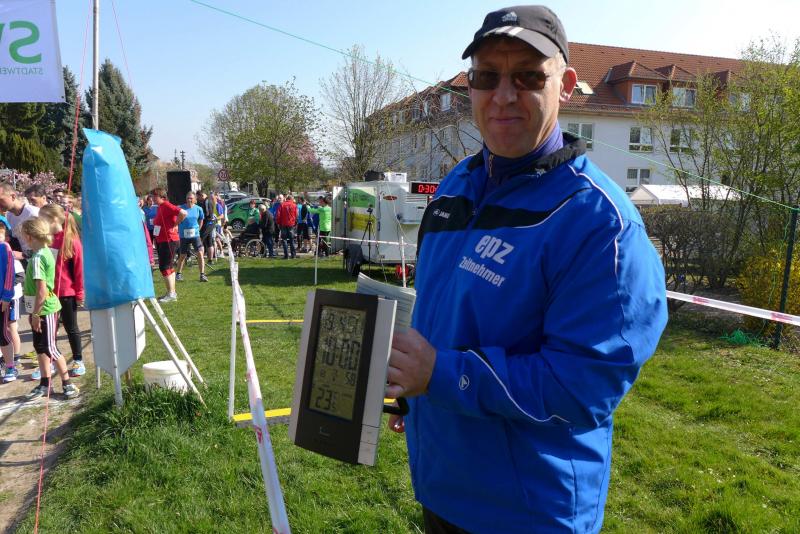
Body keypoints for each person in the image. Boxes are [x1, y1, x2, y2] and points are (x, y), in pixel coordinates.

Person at [385, 7, 668, 533]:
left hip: (528, 512)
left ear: (567, 86)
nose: (503, 95)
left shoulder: (599, 223)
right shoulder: (452, 189)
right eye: (487, 76)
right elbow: (441, 322)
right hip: (441, 487)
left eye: (528, 77)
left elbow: (582, 386)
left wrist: (440, 375)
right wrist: (415, 389)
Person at [21, 217, 79, 400]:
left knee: (50, 347)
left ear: (29, 236)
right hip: (38, 308)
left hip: (44, 309)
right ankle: (45, 384)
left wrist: (36, 314)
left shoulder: (39, 258)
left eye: (23, 236)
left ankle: (67, 383)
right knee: (40, 347)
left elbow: (42, 290)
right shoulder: (43, 252)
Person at [38, 204, 87, 377]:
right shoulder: (46, 240)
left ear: (54, 219)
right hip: (49, 293)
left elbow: (79, 270)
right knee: (49, 329)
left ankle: (78, 360)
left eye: (43, 218)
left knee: (71, 327)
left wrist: (79, 293)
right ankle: (49, 361)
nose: (40, 222)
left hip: (67, 294)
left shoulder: (72, 241)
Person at [151, 188, 187, 302]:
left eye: (154, 196)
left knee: (164, 267)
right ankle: (171, 292)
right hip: (163, 240)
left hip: (169, 240)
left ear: (161, 196)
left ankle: (171, 294)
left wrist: (176, 224)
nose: (152, 198)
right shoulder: (160, 207)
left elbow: (183, 213)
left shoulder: (166, 205)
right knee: (168, 267)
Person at [0, 182, 40, 261]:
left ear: (13, 196)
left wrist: (24, 255)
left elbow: (45, 243)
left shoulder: (33, 213)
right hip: (27, 262)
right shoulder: (9, 215)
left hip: (40, 261)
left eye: (0, 200)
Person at [175, 192, 207, 283]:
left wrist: (198, 229)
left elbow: (201, 219)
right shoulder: (181, 208)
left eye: (191, 198)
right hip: (183, 235)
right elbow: (175, 218)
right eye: (188, 198)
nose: (189, 200)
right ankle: (178, 274)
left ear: (195, 200)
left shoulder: (198, 209)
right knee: (182, 255)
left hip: (195, 235)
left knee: (200, 253)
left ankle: (202, 275)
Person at [275, 194, 297, 259]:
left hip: (283, 224)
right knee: (291, 240)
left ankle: (286, 255)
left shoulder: (282, 205)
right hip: (291, 224)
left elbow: (278, 215)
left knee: (284, 240)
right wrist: (295, 223)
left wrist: (278, 223)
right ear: (291, 199)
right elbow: (296, 215)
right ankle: (293, 255)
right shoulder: (294, 205)